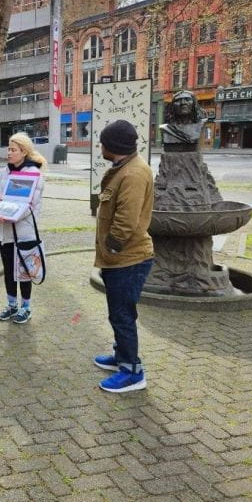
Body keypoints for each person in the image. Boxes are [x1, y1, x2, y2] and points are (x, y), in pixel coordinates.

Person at [92, 120, 155, 393]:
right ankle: (121, 357)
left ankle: (132, 372)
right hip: (120, 259)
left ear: (113, 146)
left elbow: (126, 221)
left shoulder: (133, 174)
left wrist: (113, 247)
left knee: (122, 316)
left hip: (127, 260)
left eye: (103, 142)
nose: (100, 146)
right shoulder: (124, 168)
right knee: (118, 313)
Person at [0, 133, 47, 324]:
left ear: (24, 152)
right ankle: (11, 305)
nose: (9, 152)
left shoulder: (34, 174)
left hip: (22, 233)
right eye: (9, 149)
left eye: (13, 149)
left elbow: (29, 206)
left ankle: (26, 307)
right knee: (9, 270)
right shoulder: (4, 173)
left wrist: (9, 210)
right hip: (4, 233)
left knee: (24, 271)